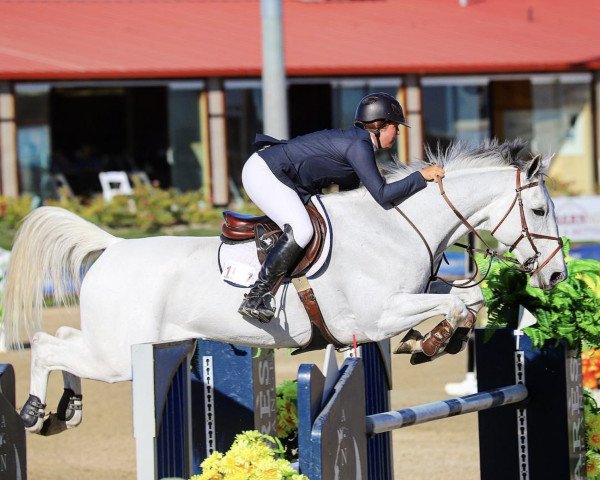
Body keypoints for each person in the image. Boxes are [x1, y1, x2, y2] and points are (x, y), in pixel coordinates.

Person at [239, 92, 445, 323]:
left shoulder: (359, 143)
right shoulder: (359, 145)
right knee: (301, 229)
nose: (397, 132)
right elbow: (383, 195)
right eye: (395, 127)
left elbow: (358, 196)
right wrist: (420, 176)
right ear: (379, 125)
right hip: (265, 172)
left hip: (283, 176)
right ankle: (256, 296)